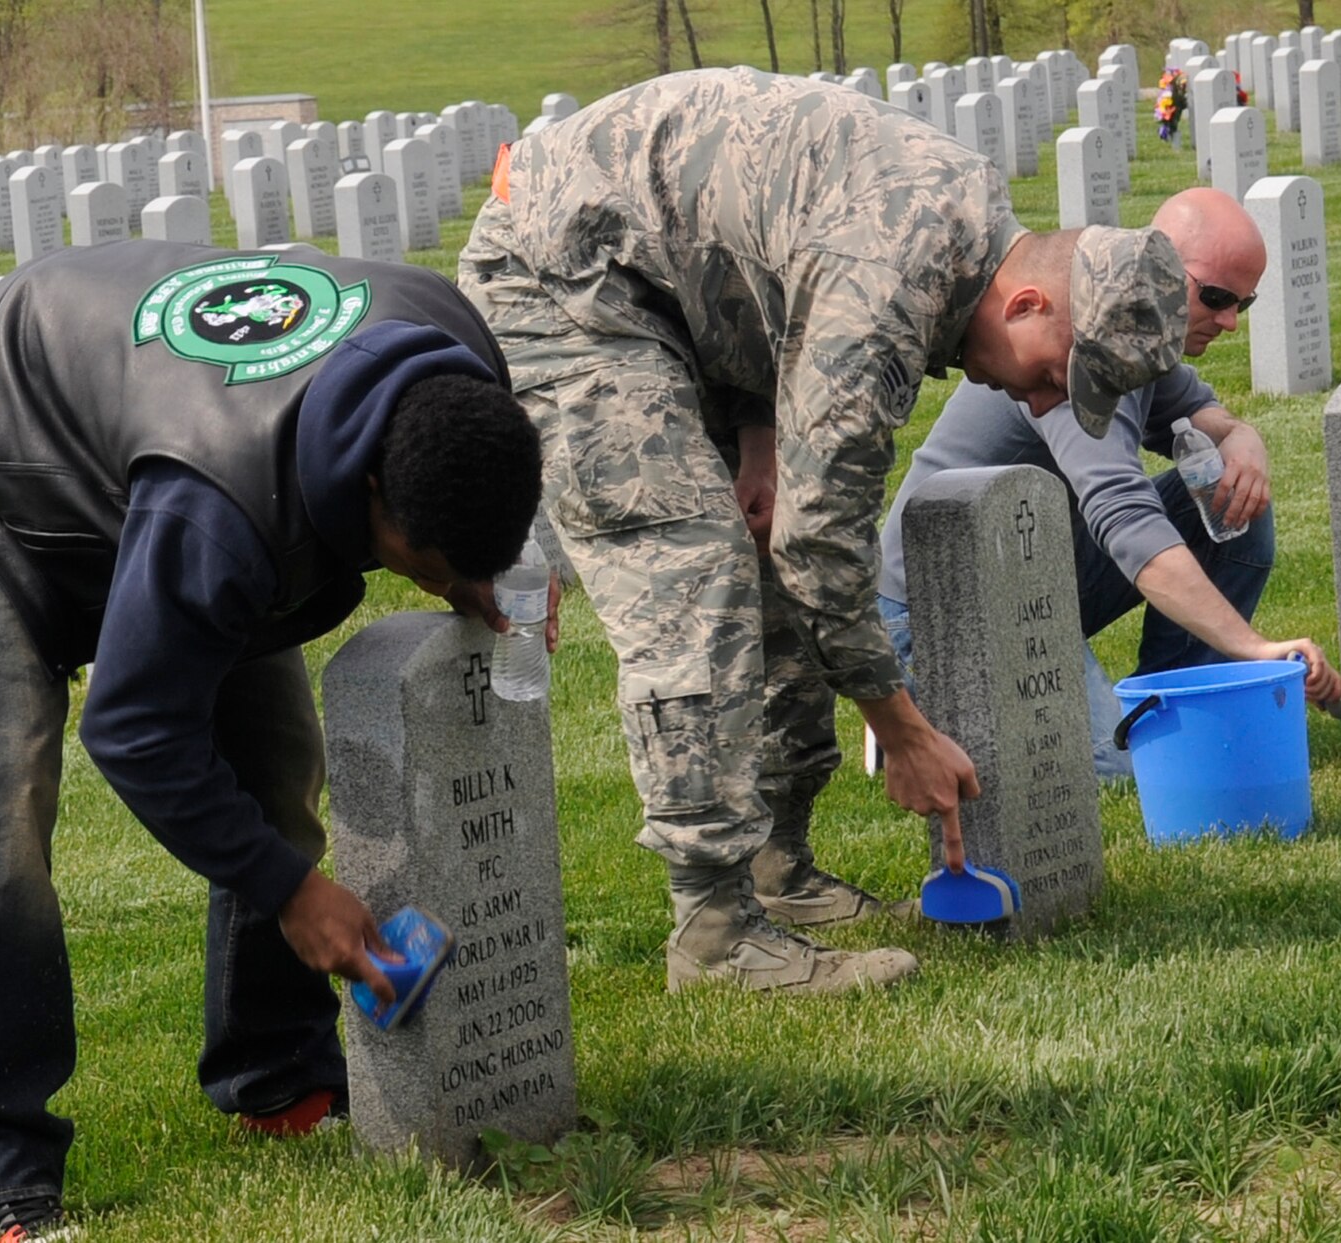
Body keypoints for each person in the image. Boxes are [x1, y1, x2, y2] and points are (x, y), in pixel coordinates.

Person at [458, 68, 1187, 997]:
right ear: (1029, 305)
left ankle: (779, 869)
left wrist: (760, 440)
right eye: (1055, 376)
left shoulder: (962, 232)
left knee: (765, 549)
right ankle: (714, 934)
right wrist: (902, 724)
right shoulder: (895, 276)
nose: (1042, 401)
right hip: (563, 280)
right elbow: (824, 542)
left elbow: (760, 276)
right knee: (696, 568)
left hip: (679, 294)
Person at [0, 241, 543, 1242]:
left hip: (154, 444)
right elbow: (133, 725)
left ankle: (275, 1075)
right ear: (373, 490)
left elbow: (457, 500)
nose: (433, 584)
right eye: (422, 564)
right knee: (10, 796)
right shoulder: (224, 513)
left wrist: (474, 567)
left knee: (278, 761)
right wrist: (290, 891)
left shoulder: (456, 356)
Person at [875, 188, 1341, 779]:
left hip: (1035, 572)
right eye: (1218, 297)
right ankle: (923, 705)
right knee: (1131, 771)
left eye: (1242, 305)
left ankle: (1181, 700)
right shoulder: (1081, 345)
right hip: (940, 604)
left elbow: (1198, 409)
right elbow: (1125, 518)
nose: (1228, 322)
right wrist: (1251, 646)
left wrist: (1239, 437)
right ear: (1161, 264)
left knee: (1233, 503)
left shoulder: (1137, 333)